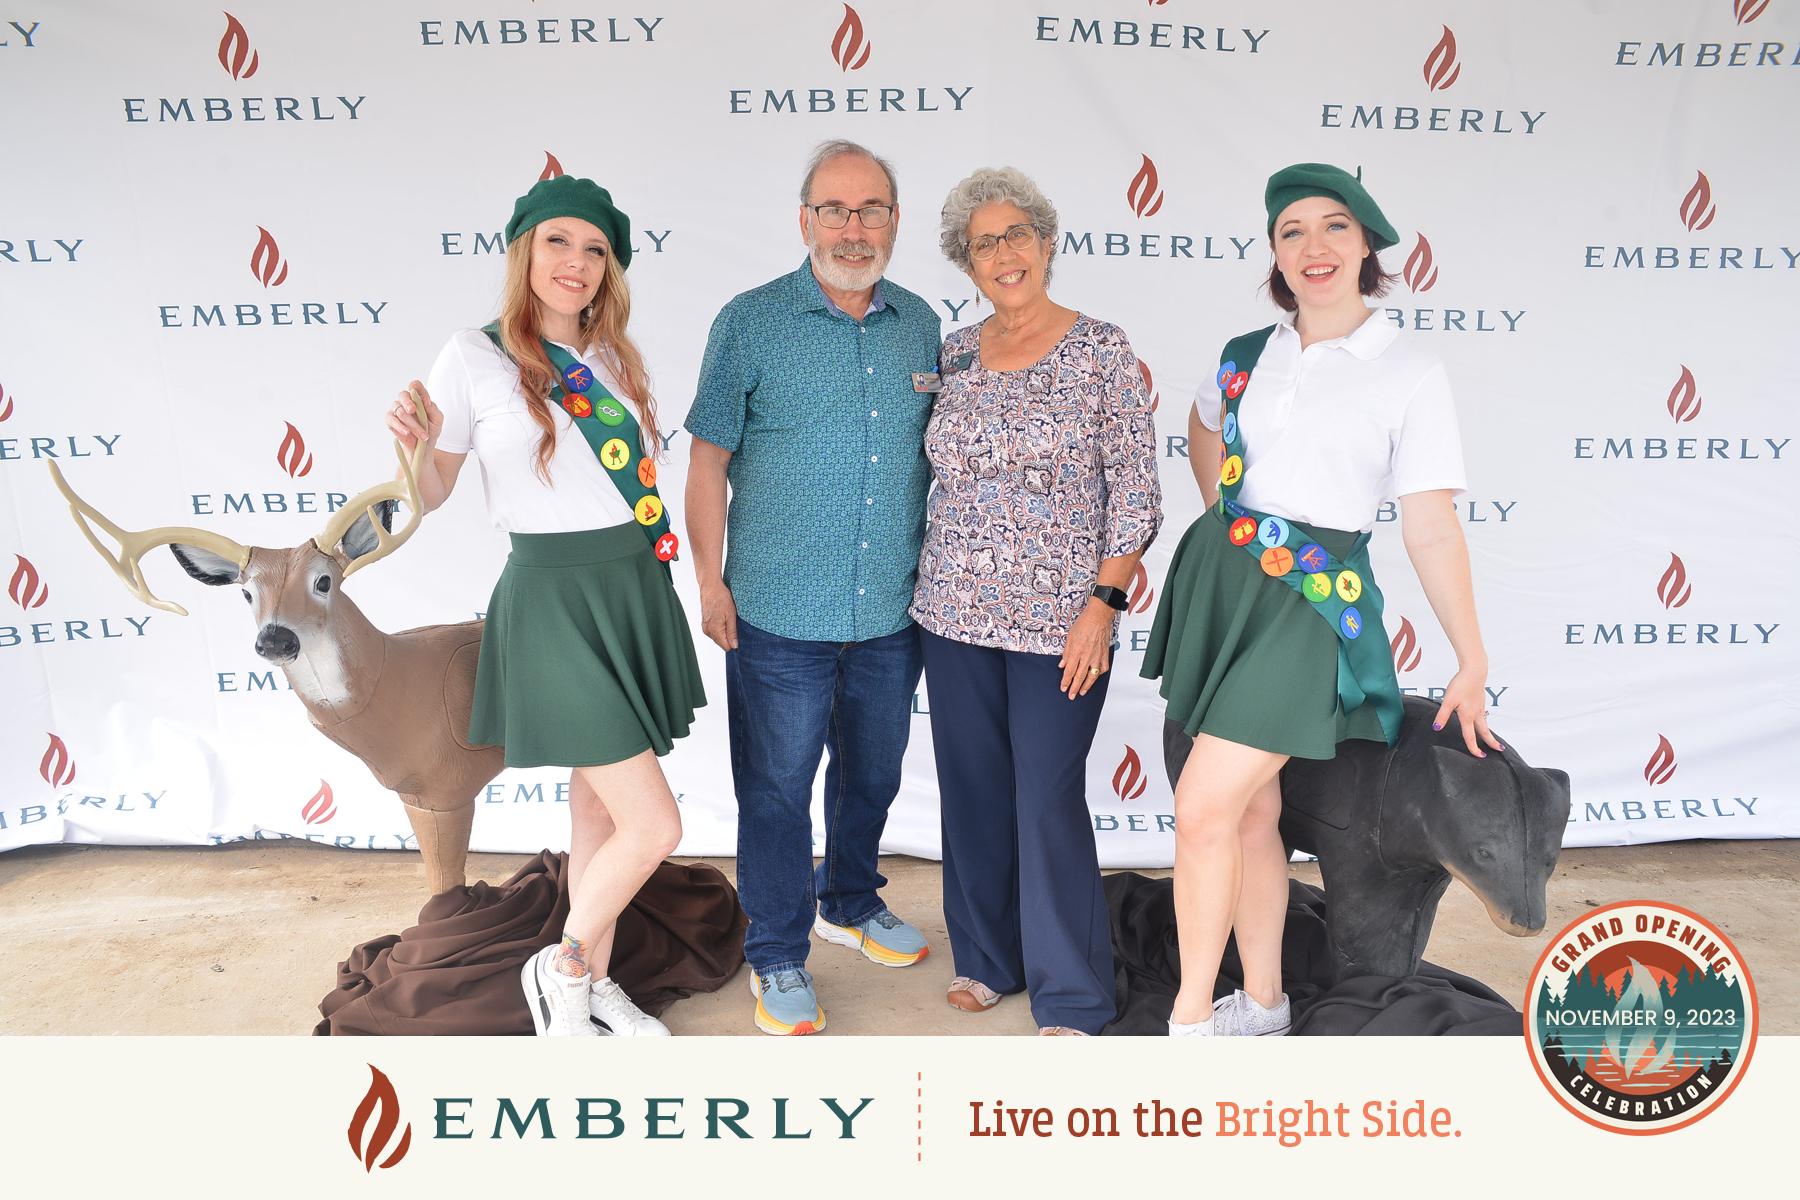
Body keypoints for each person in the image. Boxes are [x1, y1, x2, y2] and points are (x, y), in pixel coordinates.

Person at [1141, 163, 1502, 1037]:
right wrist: (1226, 520)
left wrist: (1473, 656)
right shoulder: (1245, 355)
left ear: (1367, 243)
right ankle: (1262, 1002)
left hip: (1306, 610)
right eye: (1292, 230)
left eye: (1335, 226)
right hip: (1224, 592)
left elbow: (1430, 528)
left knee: (1200, 809)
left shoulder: (1409, 369)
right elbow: (1201, 423)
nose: (1314, 246)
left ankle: (1189, 1022)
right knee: (1251, 809)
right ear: (1274, 252)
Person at [383, 174, 705, 1037]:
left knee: (599, 809)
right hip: (554, 603)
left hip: (629, 587)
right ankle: (559, 966)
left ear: (612, 268)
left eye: (596, 249)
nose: (576, 263)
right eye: (559, 242)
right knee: (657, 822)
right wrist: (414, 451)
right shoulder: (474, 354)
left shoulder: (613, 359)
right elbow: (438, 487)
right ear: (526, 251)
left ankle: (591, 989)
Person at [685, 140, 942, 1036]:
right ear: (803, 221)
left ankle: (852, 900)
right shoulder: (750, 321)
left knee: (871, 776)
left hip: (889, 611)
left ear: (895, 222)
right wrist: (709, 583)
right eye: (833, 209)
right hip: (777, 614)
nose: (852, 227)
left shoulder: (921, 324)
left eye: (871, 209)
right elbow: (707, 461)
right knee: (777, 791)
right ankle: (778, 953)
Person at [912, 167, 1162, 1037]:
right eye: (984, 243)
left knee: (1048, 795)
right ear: (966, 263)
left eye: (1017, 234)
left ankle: (1071, 993)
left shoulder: (1102, 350)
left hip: (1063, 623)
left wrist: (1103, 604)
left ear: (1048, 243)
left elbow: (1136, 494)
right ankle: (987, 958)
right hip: (950, 613)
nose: (1004, 253)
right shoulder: (953, 354)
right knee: (973, 789)